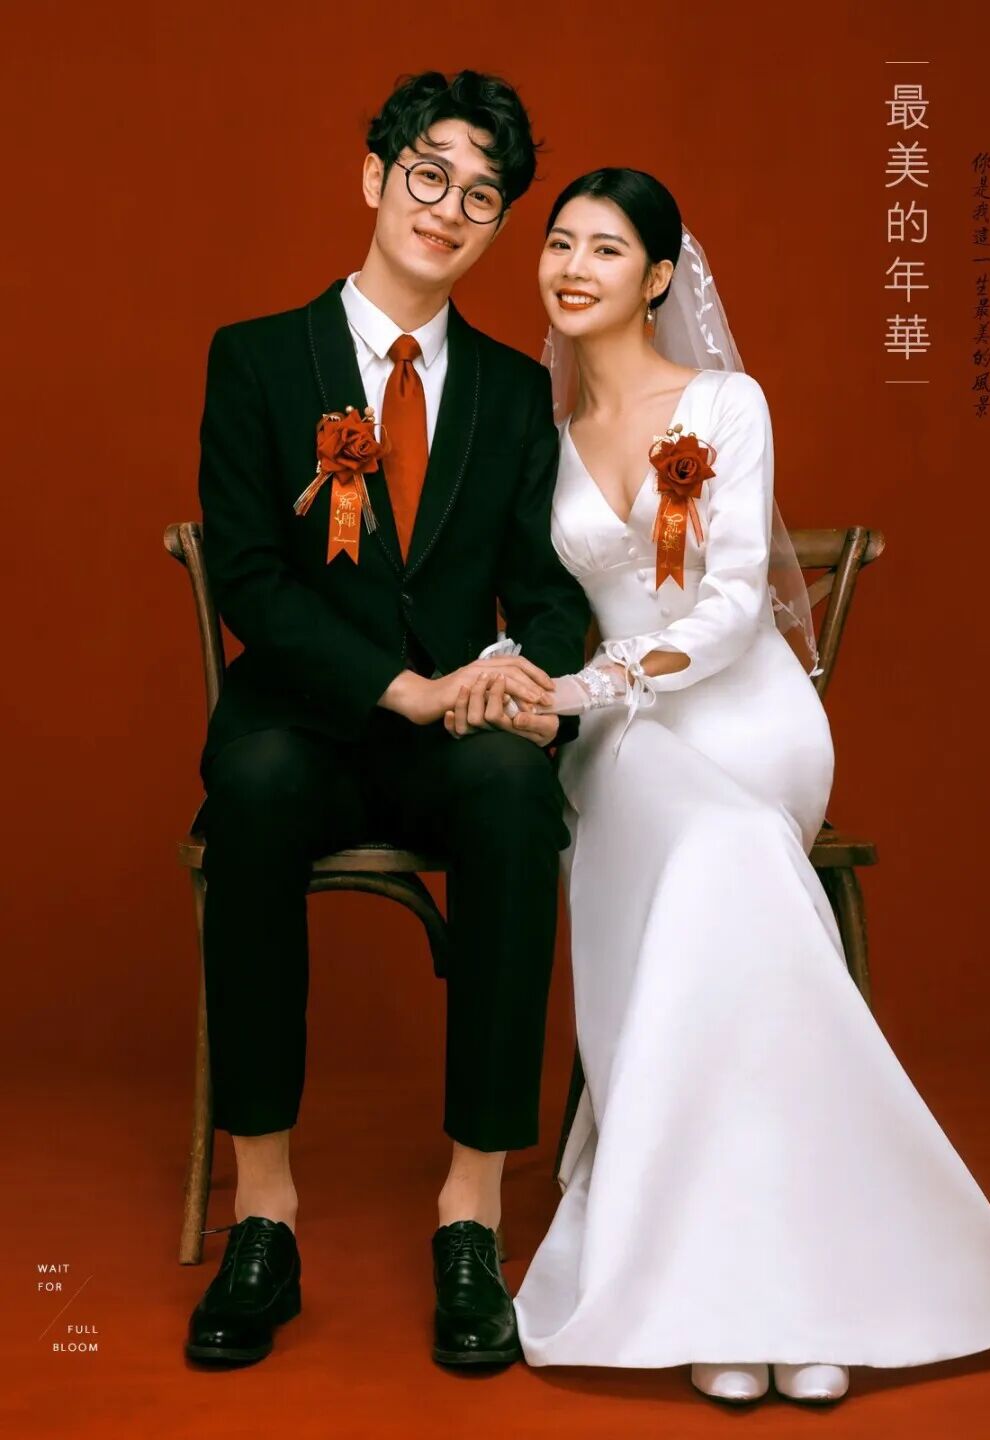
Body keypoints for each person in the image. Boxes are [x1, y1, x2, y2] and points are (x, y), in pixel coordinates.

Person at [501, 168, 990, 1403]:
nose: (574, 267)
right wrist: (534, 680)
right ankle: (736, 1287)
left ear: (659, 276)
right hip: (620, 739)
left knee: (732, 845)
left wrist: (598, 684)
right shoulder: (536, 434)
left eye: (606, 248)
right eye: (559, 243)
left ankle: (802, 1281)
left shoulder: (726, 403)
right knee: (724, 857)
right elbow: (532, 602)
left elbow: (734, 599)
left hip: (747, 716)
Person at [184, 70, 591, 1367]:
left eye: (482, 195)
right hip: (304, 728)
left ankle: (470, 1216)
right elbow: (250, 579)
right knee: (250, 790)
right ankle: (264, 1214)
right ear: (374, 177)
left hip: (452, 743)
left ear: (498, 225)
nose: (448, 208)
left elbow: (548, 597)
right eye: (428, 173)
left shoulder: (518, 395)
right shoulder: (257, 358)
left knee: (516, 793)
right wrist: (395, 684)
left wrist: (513, 681)